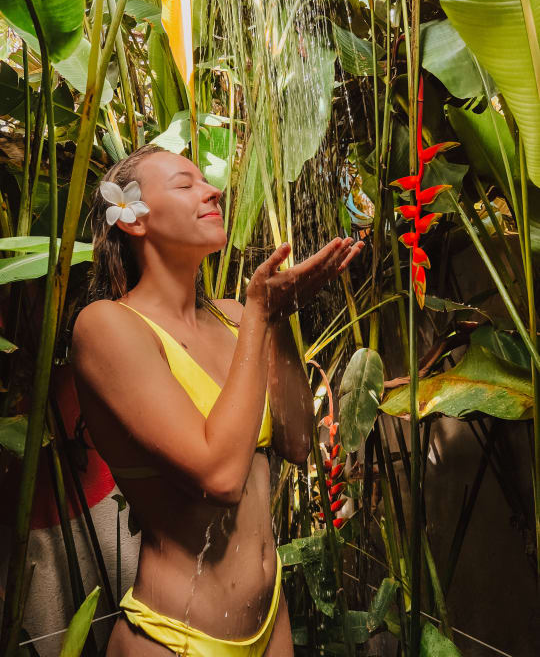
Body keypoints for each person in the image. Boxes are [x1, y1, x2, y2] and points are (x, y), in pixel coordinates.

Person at [72, 144, 364, 656]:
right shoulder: (107, 327)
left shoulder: (235, 317)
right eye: (185, 185)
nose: (213, 192)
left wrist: (277, 320)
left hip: (271, 620)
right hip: (175, 638)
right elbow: (222, 477)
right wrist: (260, 312)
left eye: (205, 181)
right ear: (134, 220)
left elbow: (298, 442)